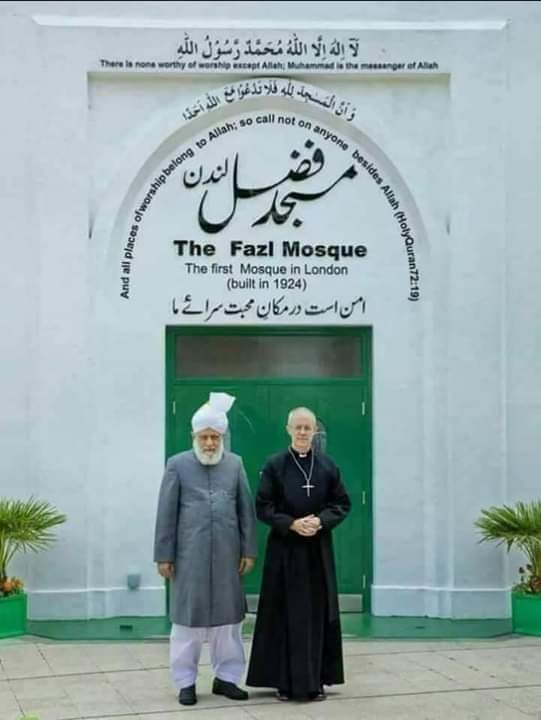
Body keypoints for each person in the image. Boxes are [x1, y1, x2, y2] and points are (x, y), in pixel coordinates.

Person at [154, 392, 257, 706]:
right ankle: (185, 682)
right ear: (194, 437)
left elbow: (246, 511)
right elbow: (166, 512)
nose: (210, 443)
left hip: (228, 557)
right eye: (204, 437)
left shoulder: (235, 464)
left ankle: (227, 678)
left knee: (229, 624)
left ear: (222, 437)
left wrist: (248, 550)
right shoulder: (177, 465)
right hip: (189, 559)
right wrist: (163, 555)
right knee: (188, 623)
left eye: (215, 437)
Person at [246, 406, 351, 702]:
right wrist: (291, 523)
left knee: (316, 614)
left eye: (308, 428)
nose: (303, 432)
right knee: (284, 613)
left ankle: (315, 680)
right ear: (288, 430)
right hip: (285, 551)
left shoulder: (328, 466)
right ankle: (283, 681)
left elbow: (341, 503)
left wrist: (320, 521)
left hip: (317, 550)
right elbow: (263, 506)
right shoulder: (274, 465)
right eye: (298, 427)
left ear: (315, 431)